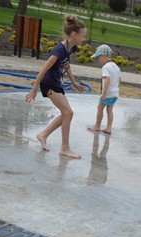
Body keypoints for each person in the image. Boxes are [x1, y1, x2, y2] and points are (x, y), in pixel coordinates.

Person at [25, 14, 87, 159]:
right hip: (48, 83)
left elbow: (66, 64)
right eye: (83, 36)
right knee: (68, 113)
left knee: (67, 114)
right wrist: (34, 89)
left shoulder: (70, 47)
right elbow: (43, 69)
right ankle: (64, 148)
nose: (84, 38)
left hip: (56, 82)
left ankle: (43, 135)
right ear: (74, 34)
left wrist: (73, 82)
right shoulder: (59, 50)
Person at [88, 44, 120, 135]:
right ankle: (109, 128)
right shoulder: (116, 66)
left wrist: (104, 93)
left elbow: (107, 79)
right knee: (110, 110)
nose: (98, 60)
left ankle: (97, 126)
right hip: (115, 93)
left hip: (108, 94)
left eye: (98, 57)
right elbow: (119, 79)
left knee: (100, 108)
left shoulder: (106, 67)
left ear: (103, 56)